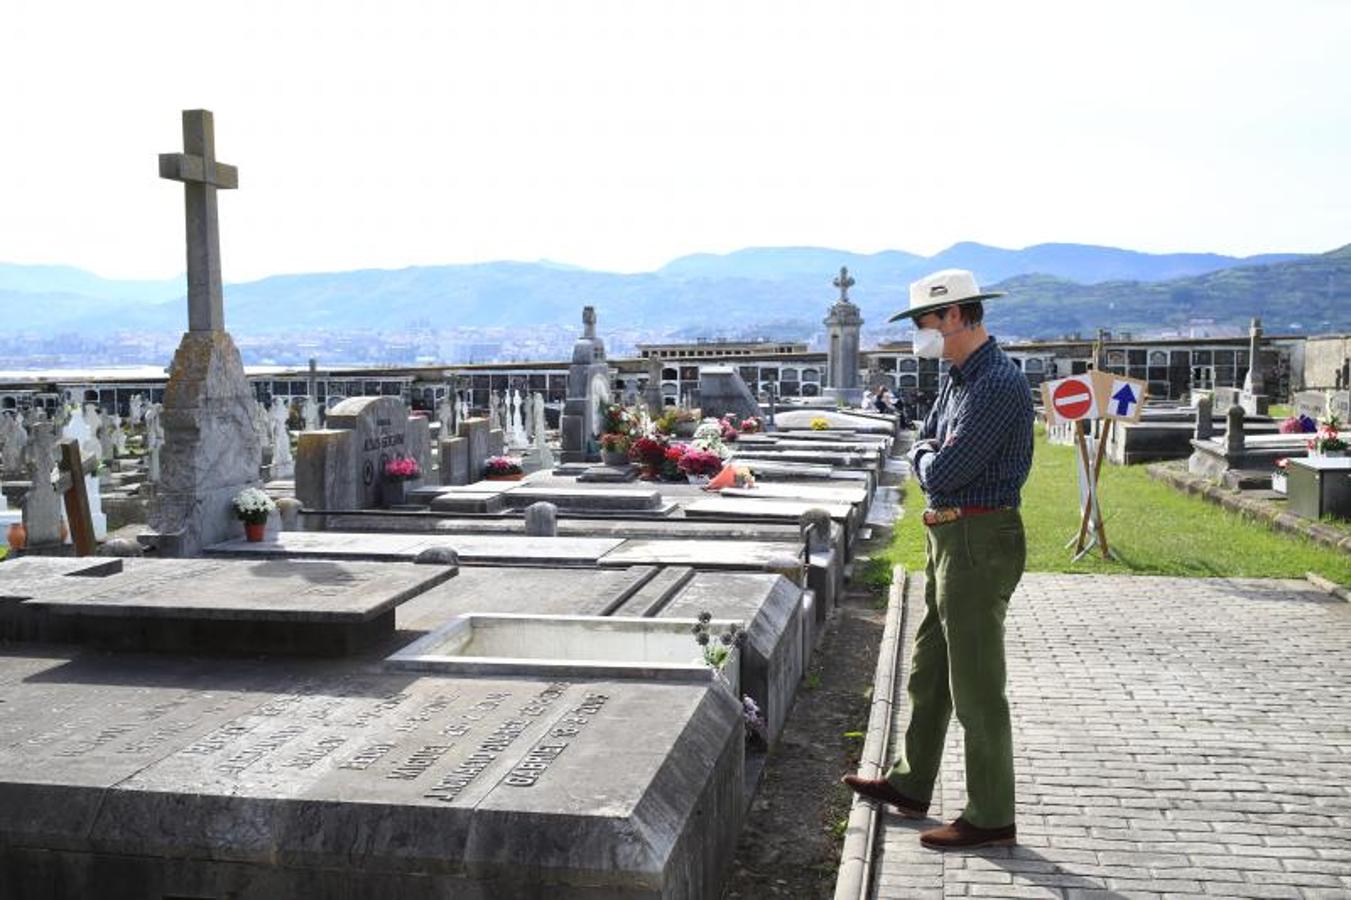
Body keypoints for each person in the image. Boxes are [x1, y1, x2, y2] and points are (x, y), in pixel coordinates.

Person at [842, 268, 1034, 851]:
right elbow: (925, 440)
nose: (917, 334)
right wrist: (929, 456)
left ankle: (992, 813)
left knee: (976, 684)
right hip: (949, 536)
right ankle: (910, 782)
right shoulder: (959, 377)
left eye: (922, 322)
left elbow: (943, 470)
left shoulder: (995, 384)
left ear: (952, 316)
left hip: (978, 536)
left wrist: (927, 460)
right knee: (929, 671)